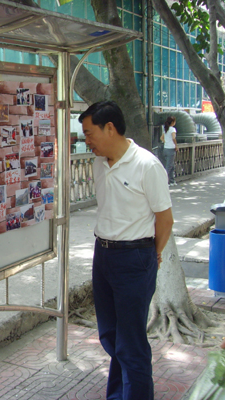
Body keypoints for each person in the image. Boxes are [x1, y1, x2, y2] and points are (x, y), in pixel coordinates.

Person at [79, 101, 174, 400]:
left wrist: (151, 254)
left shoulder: (147, 165)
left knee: (131, 342)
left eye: (89, 133)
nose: (86, 140)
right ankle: (119, 395)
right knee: (110, 335)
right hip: (103, 254)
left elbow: (165, 219)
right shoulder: (98, 163)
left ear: (110, 128)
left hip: (135, 257)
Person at [161, 116, 178, 186]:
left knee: (171, 165)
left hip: (165, 149)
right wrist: (176, 145)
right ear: (173, 122)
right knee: (169, 166)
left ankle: (172, 181)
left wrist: (165, 142)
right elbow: (173, 138)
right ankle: (164, 181)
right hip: (171, 149)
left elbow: (161, 138)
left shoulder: (165, 129)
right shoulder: (172, 129)